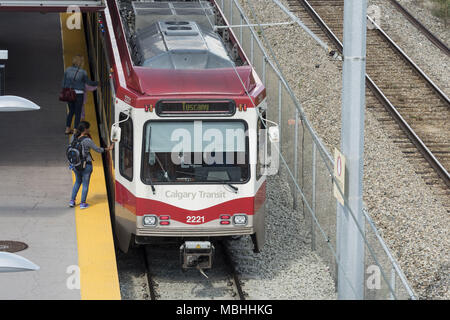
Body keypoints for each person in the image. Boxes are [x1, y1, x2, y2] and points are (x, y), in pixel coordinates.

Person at [69, 121, 114, 209]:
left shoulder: (72, 137)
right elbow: (98, 150)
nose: (89, 130)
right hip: (86, 165)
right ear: (85, 129)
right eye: (88, 128)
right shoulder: (87, 140)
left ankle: (72, 201)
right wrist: (108, 148)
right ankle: (82, 203)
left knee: (77, 182)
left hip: (75, 164)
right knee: (85, 184)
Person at [62, 55, 98, 135]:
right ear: (81, 63)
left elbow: (63, 83)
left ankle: (67, 129)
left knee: (71, 111)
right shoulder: (82, 72)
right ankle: (75, 130)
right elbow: (89, 83)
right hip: (79, 95)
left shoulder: (67, 70)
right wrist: (98, 83)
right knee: (78, 113)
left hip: (69, 93)